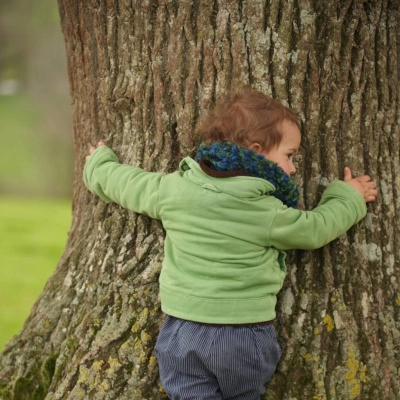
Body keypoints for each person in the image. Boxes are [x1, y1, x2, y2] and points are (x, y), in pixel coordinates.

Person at [84, 87, 377, 400]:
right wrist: (348, 196)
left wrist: (99, 165)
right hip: (243, 334)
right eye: (289, 155)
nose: (292, 168)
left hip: (183, 329)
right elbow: (315, 229)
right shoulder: (266, 210)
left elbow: (129, 185)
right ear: (256, 149)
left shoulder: (176, 189)